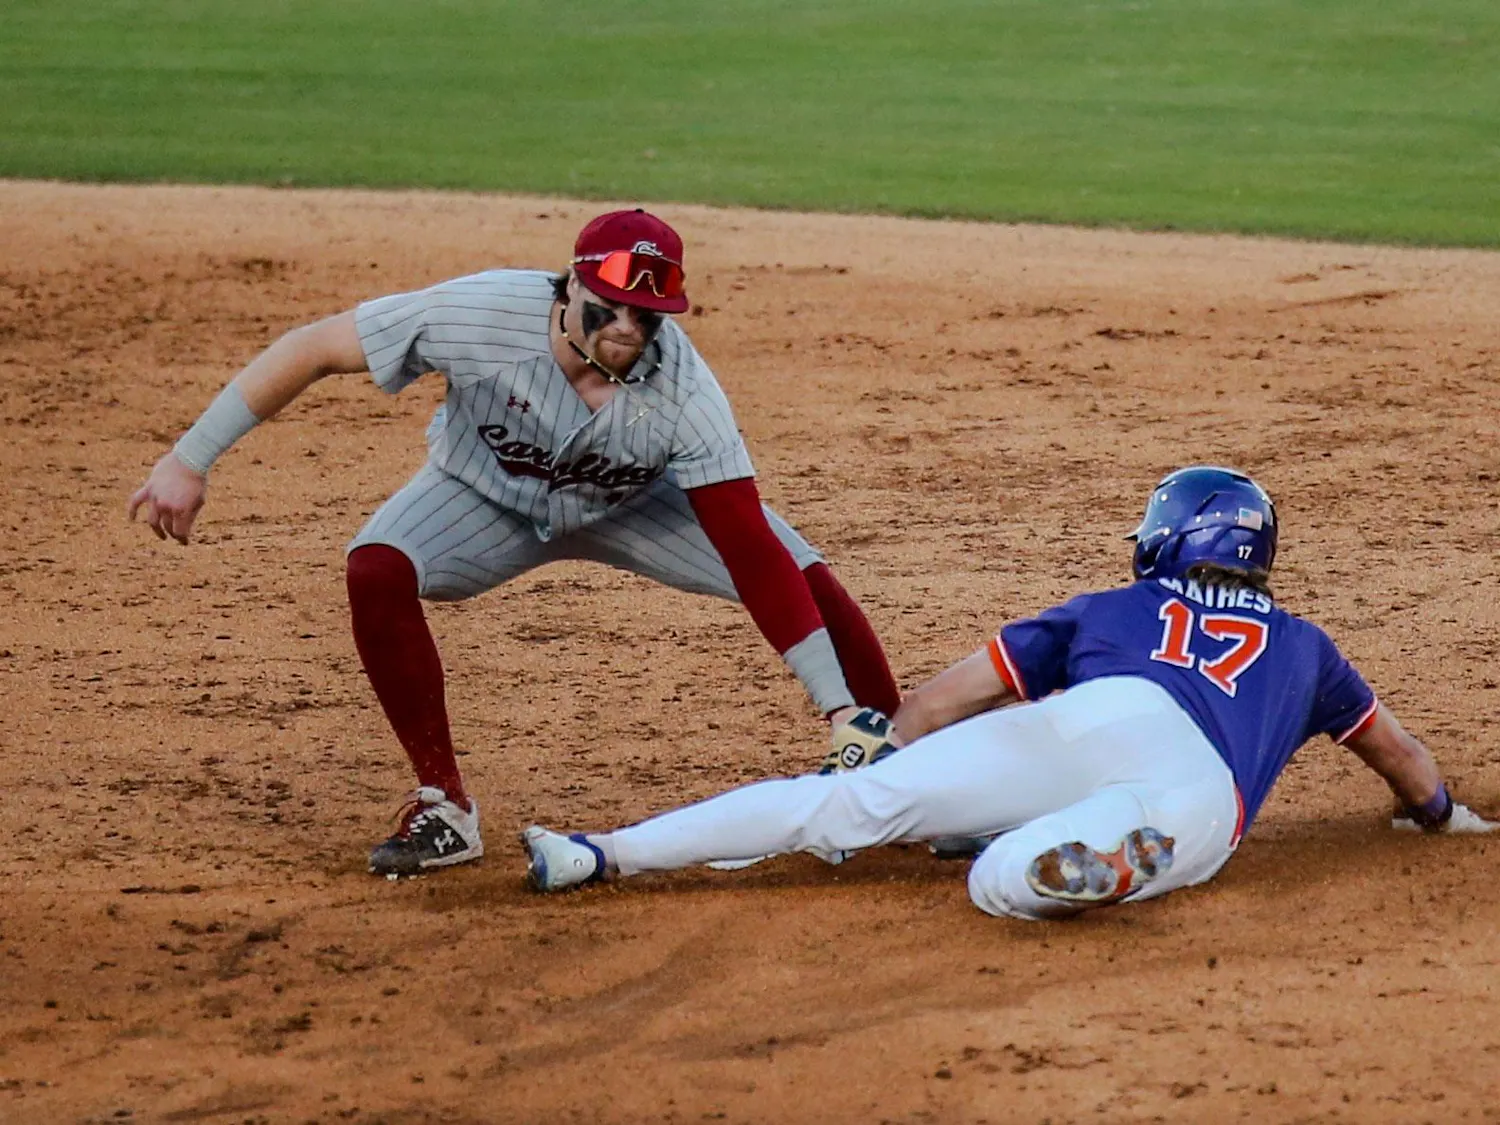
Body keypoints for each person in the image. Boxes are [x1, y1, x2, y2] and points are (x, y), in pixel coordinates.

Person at [127, 208, 901, 877]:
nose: (628, 328)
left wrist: (835, 706)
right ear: (570, 288)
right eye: (610, 306)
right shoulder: (478, 314)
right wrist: (188, 458)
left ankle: (905, 763)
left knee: (810, 579)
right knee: (377, 568)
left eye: (648, 314)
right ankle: (443, 806)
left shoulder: (685, 394)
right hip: (482, 496)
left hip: (635, 505)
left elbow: (747, 543)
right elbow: (314, 346)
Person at [522, 466, 1495, 919]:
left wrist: (884, 752)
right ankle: (1070, 861)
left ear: (1169, 539)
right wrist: (1441, 817)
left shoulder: (1114, 604)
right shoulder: (1307, 647)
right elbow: (1400, 758)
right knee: (999, 886)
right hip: (1202, 790)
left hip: (1091, 714)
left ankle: (600, 854)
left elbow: (949, 695)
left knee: (842, 807)